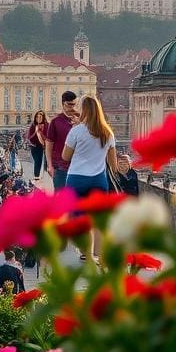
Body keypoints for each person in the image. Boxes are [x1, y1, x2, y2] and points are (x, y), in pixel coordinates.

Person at [62, 94, 116, 260]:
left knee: (80, 217)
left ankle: (86, 253)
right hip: (98, 179)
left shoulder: (76, 131)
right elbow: (113, 163)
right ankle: (98, 253)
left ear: (84, 110)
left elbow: (65, 156)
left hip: (77, 179)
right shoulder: (107, 132)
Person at [45, 91, 79, 190]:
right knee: (61, 198)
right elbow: (49, 144)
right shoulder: (56, 121)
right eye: (70, 104)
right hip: (60, 167)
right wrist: (49, 165)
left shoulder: (81, 119)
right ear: (63, 103)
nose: (72, 107)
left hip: (78, 166)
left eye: (74, 104)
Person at [27, 111, 48, 182]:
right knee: (37, 161)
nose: (38, 118)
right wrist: (36, 132)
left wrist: (40, 132)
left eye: (40, 117)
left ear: (43, 118)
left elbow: (48, 137)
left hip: (46, 146)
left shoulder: (47, 125)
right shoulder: (33, 125)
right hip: (35, 146)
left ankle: (46, 177)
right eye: (37, 117)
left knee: (46, 162)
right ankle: (36, 177)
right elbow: (29, 137)